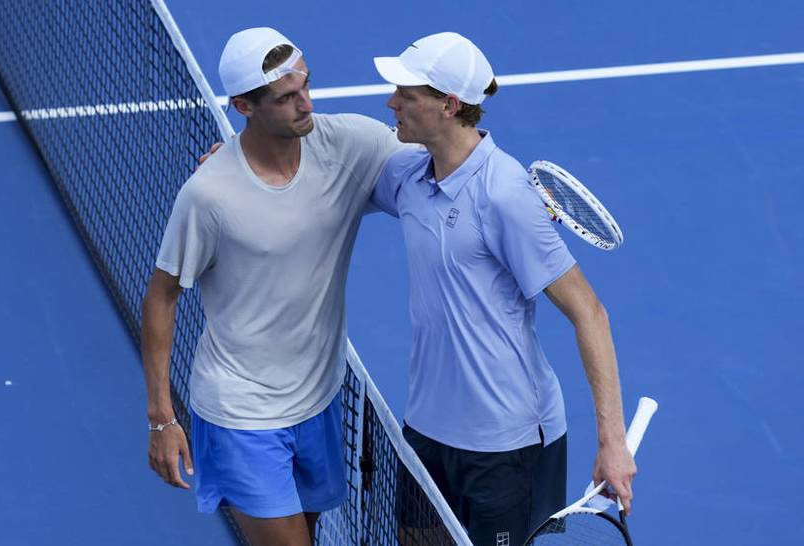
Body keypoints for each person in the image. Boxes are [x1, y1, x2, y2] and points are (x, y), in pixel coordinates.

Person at [369, 32, 637, 545]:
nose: (391, 102)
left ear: (449, 105)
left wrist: (612, 442)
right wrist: (238, 157)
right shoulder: (407, 176)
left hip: (505, 444)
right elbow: (329, 172)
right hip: (426, 425)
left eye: (406, 93)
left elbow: (590, 313)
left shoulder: (505, 195)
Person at [139, 27, 403, 546]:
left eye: (306, 86)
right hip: (242, 413)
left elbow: (436, 171)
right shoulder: (209, 195)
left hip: (320, 399)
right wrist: (161, 417)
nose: (307, 105)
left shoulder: (349, 144)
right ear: (244, 106)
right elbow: (161, 297)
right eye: (286, 98)